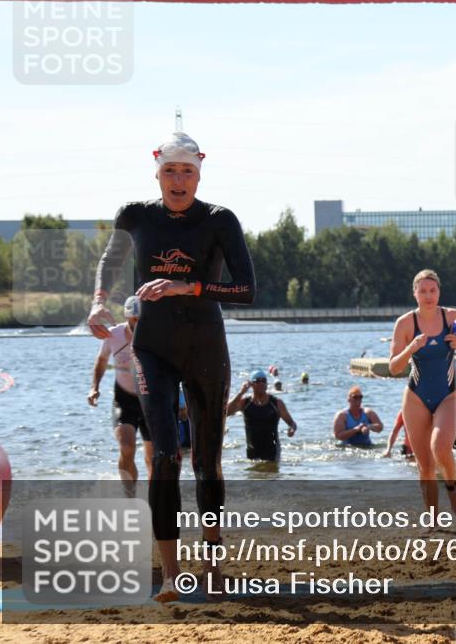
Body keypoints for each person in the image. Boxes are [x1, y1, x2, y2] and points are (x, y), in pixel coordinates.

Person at [87, 131, 255, 602]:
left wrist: (190, 288)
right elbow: (111, 260)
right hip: (153, 347)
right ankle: (170, 573)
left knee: (207, 460)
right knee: (164, 458)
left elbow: (246, 290)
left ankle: (213, 556)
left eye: (187, 172)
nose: (178, 181)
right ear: (156, 171)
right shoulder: (135, 216)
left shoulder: (220, 220)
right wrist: (99, 303)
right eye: (169, 171)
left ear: (200, 173)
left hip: (205, 346)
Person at [389, 270, 456, 516]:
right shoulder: (406, 323)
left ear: (439, 291)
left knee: (440, 448)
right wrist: (411, 347)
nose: (428, 296)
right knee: (425, 466)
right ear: (414, 293)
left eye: (433, 290)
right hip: (415, 396)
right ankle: (432, 519)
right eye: (423, 291)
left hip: (448, 395)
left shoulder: (452, 316)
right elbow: (394, 366)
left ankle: (451, 487)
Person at [88, 295, 153, 497]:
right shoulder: (113, 335)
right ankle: (130, 497)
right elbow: (101, 362)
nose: (137, 323)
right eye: (134, 318)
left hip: (150, 400)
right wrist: (94, 387)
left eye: (141, 319)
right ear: (127, 316)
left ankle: (155, 501)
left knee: (153, 458)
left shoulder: (155, 336)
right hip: (124, 400)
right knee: (126, 447)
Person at [227, 370, 297, 462]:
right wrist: (241, 393)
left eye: (263, 381)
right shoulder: (245, 403)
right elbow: (226, 412)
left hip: (272, 452)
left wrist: (292, 429)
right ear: (251, 384)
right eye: (257, 381)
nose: (261, 383)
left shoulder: (276, 403)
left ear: (267, 384)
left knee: (271, 473)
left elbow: (292, 423)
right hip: (252, 452)